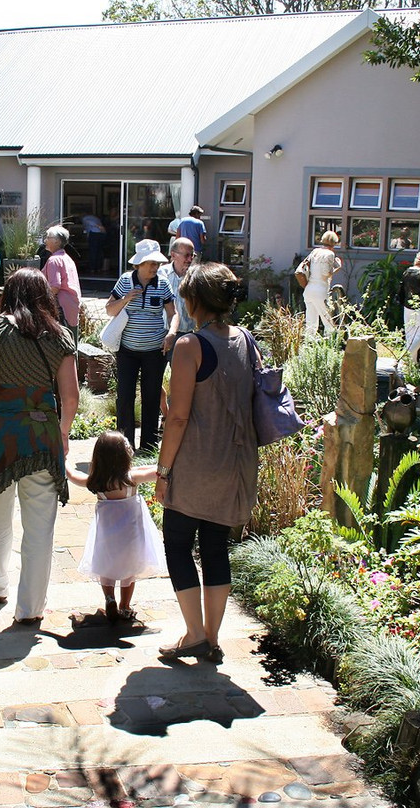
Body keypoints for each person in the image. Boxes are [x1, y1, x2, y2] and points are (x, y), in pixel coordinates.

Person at [0, 269, 79, 624]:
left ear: (7, 294)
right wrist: (64, 433)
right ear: (44, 296)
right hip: (42, 437)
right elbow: (70, 398)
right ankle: (31, 608)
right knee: (40, 528)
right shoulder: (60, 336)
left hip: (1, 434)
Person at [154, 263, 258, 663]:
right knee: (215, 547)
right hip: (235, 462)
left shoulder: (189, 346)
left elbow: (178, 417)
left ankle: (194, 633)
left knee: (178, 544)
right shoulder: (247, 339)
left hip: (196, 462)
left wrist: (162, 473)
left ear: (195, 300)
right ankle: (211, 638)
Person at [66, 431, 165, 622]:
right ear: (123, 456)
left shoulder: (95, 482)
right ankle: (125, 606)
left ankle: (110, 598)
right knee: (130, 572)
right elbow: (158, 471)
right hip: (132, 538)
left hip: (107, 538)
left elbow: (73, 475)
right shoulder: (132, 478)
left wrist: (64, 459)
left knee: (106, 568)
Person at [106, 239, 177, 453]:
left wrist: (172, 333)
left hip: (155, 351)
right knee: (125, 396)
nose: (155, 267)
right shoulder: (125, 281)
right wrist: (126, 299)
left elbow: (173, 314)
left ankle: (148, 447)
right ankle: (124, 445)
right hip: (127, 351)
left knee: (152, 395)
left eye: (156, 263)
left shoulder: (163, 284)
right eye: (150, 263)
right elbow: (109, 309)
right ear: (139, 264)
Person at [41, 225, 82, 343]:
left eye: (48, 237)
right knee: (72, 346)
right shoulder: (67, 258)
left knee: (61, 346)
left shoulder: (54, 260)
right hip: (72, 307)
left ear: (56, 241)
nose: (45, 240)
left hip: (60, 309)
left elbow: (54, 287)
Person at [301, 230, 343, 337]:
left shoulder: (315, 251)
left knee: (311, 321)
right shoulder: (330, 254)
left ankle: (309, 344)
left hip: (309, 289)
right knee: (327, 321)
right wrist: (337, 268)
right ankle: (331, 343)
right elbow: (325, 274)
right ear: (334, 243)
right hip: (320, 290)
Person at [163, 237, 196, 353]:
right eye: (187, 255)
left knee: (182, 371)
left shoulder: (195, 277)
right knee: (155, 371)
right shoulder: (161, 274)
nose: (190, 259)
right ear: (173, 255)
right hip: (162, 332)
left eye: (192, 255)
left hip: (185, 334)